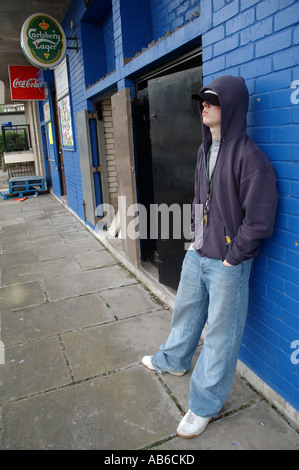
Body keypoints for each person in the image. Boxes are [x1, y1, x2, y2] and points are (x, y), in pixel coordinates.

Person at [142, 75, 278, 439]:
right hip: (198, 251)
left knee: (220, 335)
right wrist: (194, 242)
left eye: (211, 100)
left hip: (227, 264)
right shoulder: (204, 150)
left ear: (230, 107)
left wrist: (234, 258)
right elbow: (200, 201)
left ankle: (203, 405)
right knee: (185, 310)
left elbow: (260, 219)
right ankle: (172, 360)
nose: (203, 105)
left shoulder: (251, 158)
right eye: (201, 100)